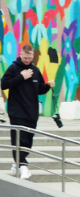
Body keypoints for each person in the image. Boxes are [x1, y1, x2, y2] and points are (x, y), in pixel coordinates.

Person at [1, 44, 54, 179]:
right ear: (21, 55)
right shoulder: (13, 68)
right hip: (17, 111)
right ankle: (23, 165)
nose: (27, 60)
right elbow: (3, 84)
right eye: (25, 58)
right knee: (18, 138)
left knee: (28, 141)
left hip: (31, 112)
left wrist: (47, 86)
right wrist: (21, 77)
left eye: (30, 58)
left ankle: (17, 162)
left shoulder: (35, 70)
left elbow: (39, 89)